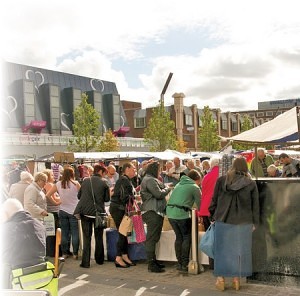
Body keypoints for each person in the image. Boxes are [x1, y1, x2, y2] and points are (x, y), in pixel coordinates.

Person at [209, 157, 259, 291]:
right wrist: (255, 222)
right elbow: (255, 205)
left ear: (232, 166)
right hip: (243, 222)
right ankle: (236, 279)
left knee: (222, 250)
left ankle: (221, 279)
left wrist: (213, 216)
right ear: (245, 167)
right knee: (239, 250)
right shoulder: (250, 183)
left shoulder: (221, 180)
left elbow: (214, 200)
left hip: (223, 219)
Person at [0, 198, 46, 288]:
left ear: (5, 213)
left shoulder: (6, 229)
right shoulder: (39, 225)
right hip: (39, 277)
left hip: (14, 278)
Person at [74, 164, 110, 268]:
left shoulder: (85, 181)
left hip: (85, 212)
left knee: (86, 237)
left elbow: (79, 196)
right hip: (98, 213)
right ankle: (99, 260)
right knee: (98, 237)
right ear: (101, 172)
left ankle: (85, 262)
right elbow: (107, 199)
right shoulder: (104, 183)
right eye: (104, 173)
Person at [166, 169, 202, 272]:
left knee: (179, 237)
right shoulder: (194, 187)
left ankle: (179, 263)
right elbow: (200, 204)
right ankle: (185, 264)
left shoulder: (179, 184)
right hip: (182, 214)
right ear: (197, 179)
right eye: (200, 181)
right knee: (186, 237)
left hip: (170, 213)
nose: (200, 183)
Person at [140, 161, 173, 273]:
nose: (160, 172)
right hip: (152, 211)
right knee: (152, 238)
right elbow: (158, 194)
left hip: (154, 211)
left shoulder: (149, 179)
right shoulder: (149, 179)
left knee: (154, 238)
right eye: (159, 170)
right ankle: (151, 264)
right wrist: (168, 189)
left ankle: (153, 261)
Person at [46, 166, 81, 260]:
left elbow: (48, 195)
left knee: (64, 232)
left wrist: (56, 202)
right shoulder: (76, 184)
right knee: (75, 233)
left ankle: (64, 253)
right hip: (74, 211)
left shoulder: (58, 184)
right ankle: (75, 253)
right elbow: (81, 196)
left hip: (62, 210)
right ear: (72, 174)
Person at [109, 162, 137, 268]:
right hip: (119, 209)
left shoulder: (125, 180)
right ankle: (118, 257)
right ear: (127, 169)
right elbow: (125, 197)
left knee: (124, 233)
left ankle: (124, 255)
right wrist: (134, 198)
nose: (135, 170)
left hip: (119, 209)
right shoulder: (124, 180)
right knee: (122, 233)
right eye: (133, 168)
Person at [198, 157, 220, 270]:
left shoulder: (206, 176)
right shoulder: (222, 175)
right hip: (216, 210)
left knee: (209, 237)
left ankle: (212, 263)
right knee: (219, 238)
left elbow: (203, 192)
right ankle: (219, 263)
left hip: (205, 209)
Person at [43, 169, 61, 257]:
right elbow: (51, 197)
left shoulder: (48, 185)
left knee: (51, 232)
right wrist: (59, 201)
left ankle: (51, 252)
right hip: (53, 211)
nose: (54, 177)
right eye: (52, 175)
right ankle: (53, 252)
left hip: (51, 211)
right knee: (53, 233)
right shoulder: (49, 185)